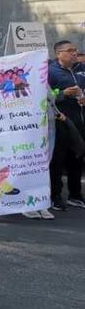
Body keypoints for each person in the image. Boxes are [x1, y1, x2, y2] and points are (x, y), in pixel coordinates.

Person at [48, 40, 85, 211]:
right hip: (60, 121)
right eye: (70, 50)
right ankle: (55, 196)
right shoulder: (50, 71)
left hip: (79, 120)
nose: (74, 53)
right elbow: (46, 95)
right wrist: (63, 94)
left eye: (75, 50)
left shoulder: (81, 69)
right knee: (58, 160)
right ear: (59, 54)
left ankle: (75, 195)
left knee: (77, 158)